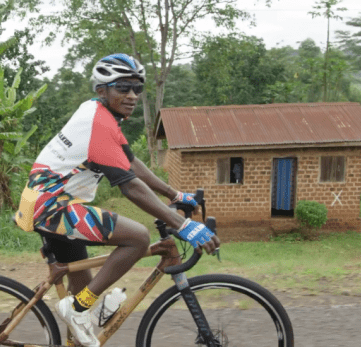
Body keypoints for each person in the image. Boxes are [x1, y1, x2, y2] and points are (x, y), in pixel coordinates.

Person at [14, 53, 220, 347]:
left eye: (137, 88)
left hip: (46, 203)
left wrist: (174, 195)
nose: (132, 95)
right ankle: (77, 309)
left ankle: (82, 309)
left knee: (86, 290)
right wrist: (184, 224)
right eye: (123, 87)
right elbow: (130, 187)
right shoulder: (99, 123)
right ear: (102, 91)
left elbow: (132, 164)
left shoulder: (100, 115)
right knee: (137, 237)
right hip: (50, 207)